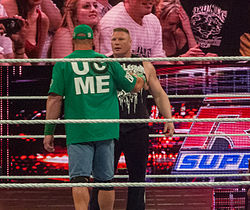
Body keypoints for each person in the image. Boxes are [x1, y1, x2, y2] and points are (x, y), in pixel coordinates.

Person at [43, 24, 146, 210]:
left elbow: (54, 99)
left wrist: (49, 132)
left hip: (79, 130)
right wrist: (143, 77)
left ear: (73, 40)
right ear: (92, 41)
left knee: (80, 180)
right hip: (106, 130)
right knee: (106, 181)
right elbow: (135, 86)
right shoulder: (108, 62)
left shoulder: (64, 64)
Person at [90, 27, 175, 210]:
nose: (117, 43)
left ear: (130, 43)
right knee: (102, 175)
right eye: (114, 40)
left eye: (121, 39)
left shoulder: (144, 65)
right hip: (109, 128)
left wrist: (168, 118)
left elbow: (159, 94)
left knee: (137, 176)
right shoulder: (102, 64)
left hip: (137, 128)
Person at [180, 0, 249, 56]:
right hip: (189, 59)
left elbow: (235, 32)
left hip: (224, 63)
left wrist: (219, 56)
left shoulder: (240, 3)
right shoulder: (184, 2)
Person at [99, 0, 166, 58]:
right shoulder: (112, 22)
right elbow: (109, 65)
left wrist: (174, 65)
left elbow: (157, 58)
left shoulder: (153, 20)